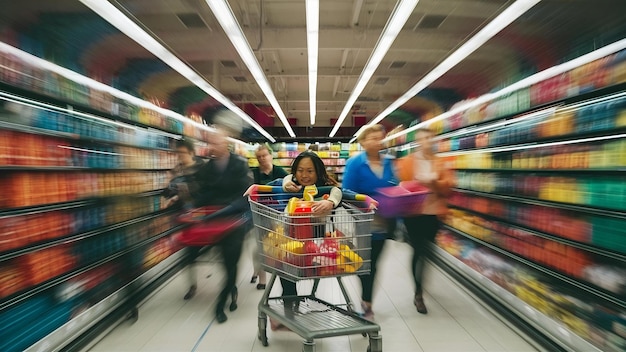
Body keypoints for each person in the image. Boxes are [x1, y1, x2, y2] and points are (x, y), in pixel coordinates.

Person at [184, 126, 253, 324]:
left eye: (217, 142)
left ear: (226, 143)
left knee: (231, 264)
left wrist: (224, 210)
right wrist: (192, 207)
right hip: (214, 224)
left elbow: (244, 195)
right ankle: (232, 289)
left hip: (235, 223)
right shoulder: (206, 169)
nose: (213, 147)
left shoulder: (240, 164)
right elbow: (204, 194)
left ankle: (219, 305)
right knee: (224, 264)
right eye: (211, 143)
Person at [342, 124, 397, 319]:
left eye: (379, 137)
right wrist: (368, 202)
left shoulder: (390, 162)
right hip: (364, 221)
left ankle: (367, 300)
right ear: (363, 141)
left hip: (386, 221)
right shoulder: (355, 163)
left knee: (376, 262)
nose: (376, 141)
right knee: (367, 264)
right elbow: (347, 193)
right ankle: (367, 303)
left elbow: (397, 186)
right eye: (372, 138)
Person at [399, 127, 453, 314]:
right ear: (418, 141)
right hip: (413, 214)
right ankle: (418, 293)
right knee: (418, 249)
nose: (428, 141)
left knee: (426, 251)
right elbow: (401, 187)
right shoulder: (406, 162)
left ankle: (420, 282)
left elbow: (448, 188)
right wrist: (415, 184)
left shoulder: (441, 163)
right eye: (424, 138)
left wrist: (433, 183)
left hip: (433, 213)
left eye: (430, 137)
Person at [250, 144, 288, 290]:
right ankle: (262, 278)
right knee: (259, 246)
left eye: (264, 156)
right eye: (258, 157)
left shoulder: (280, 172)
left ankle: (262, 270)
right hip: (258, 214)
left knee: (274, 245)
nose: (261, 159)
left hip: (277, 215)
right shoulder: (253, 174)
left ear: (271, 156)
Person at [162, 139, 205, 209]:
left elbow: (200, 188)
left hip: (196, 209)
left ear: (191, 153)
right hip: (177, 209)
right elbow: (170, 189)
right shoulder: (176, 170)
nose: (180, 156)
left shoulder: (202, 168)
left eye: (183, 153)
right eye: (178, 153)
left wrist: (178, 196)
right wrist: (165, 192)